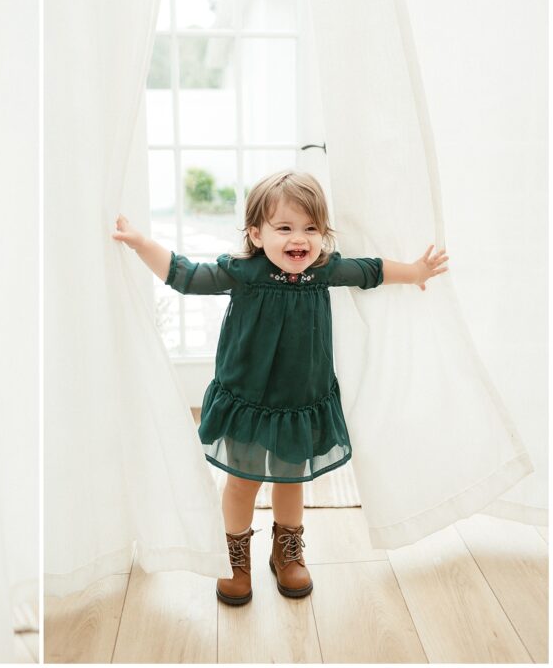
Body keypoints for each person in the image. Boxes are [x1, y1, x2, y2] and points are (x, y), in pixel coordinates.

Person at [112, 169, 448, 606]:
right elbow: (187, 276)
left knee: (291, 481)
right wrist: (143, 244)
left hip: (299, 403)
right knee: (241, 482)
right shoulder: (244, 272)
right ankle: (235, 557)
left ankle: (286, 551)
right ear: (256, 233)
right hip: (247, 399)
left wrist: (416, 271)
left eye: (311, 229)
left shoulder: (324, 271)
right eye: (285, 228)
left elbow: (372, 270)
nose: (300, 239)